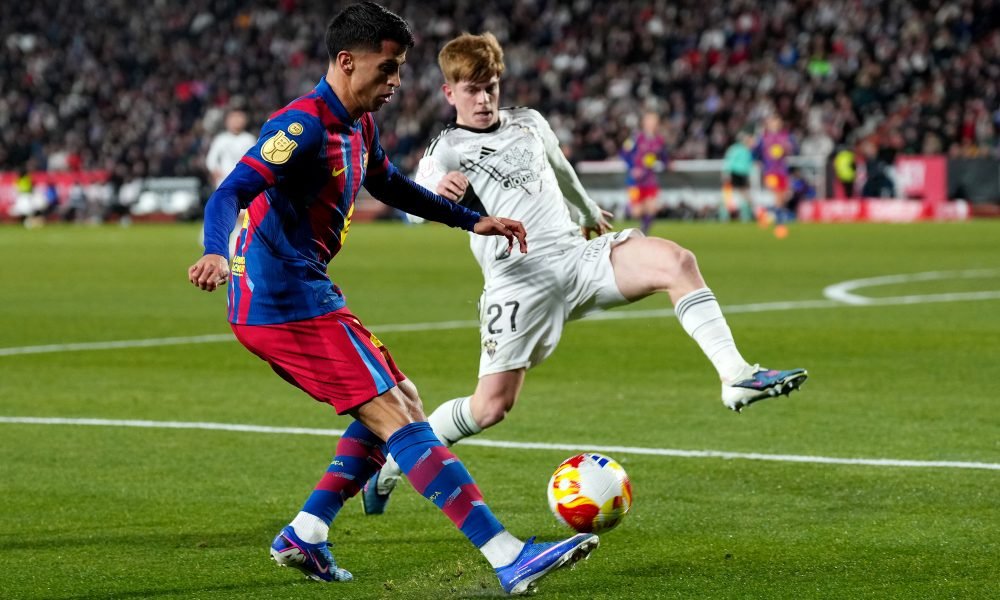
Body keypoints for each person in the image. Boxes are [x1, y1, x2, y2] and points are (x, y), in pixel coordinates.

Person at [186, 4, 597, 596]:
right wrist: (215, 252)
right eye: (387, 68)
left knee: (403, 397)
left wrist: (470, 220)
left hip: (304, 292)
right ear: (346, 62)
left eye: (399, 68)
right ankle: (508, 555)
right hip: (281, 301)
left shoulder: (358, 124)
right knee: (398, 416)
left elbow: (391, 185)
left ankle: (307, 531)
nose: (396, 81)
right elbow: (231, 191)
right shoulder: (300, 127)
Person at [364, 32, 808, 513]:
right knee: (490, 407)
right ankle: (393, 464)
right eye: (472, 90)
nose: (484, 99)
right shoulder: (448, 148)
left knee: (676, 262)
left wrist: (588, 210)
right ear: (450, 92)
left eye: (491, 87)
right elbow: (413, 210)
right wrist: (437, 198)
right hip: (519, 283)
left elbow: (560, 167)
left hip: (576, 258)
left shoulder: (529, 122)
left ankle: (736, 375)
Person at [205, 109, 256, 255]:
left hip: (244, 182)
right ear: (227, 121)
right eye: (233, 118)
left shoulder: (249, 139)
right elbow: (211, 159)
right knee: (225, 213)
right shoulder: (221, 139)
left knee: (243, 214)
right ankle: (221, 242)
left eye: (240, 118)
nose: (236, 121)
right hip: (225, 182)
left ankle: (237, 242)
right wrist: (214, 170)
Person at [619, 110, 669, 234]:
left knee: (652, 208)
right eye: (649, 120)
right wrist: (633, 168)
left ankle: (644, 231)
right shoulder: (636, 138)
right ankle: (624, 209)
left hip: (650, 179)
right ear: (644, 122)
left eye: (654, 121)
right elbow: (624, 153)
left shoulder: (659, 140)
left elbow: (663, 156)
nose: (651, 123)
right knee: (636, 212)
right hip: (635, 181)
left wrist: (666, 164)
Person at [755, 114, 797, 237]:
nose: (775, 124)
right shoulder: (764, 137)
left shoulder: (785, 136)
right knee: (778, 196)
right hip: (770, 172)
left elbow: (794, 149)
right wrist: (759, 161)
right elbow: (755, 152)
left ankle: (764, 212)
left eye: (777, 122)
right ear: (768, 124)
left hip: (782, 171)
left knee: (784, 196)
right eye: (772, 122)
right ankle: (779, 224)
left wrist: (789, 148)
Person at [721, 130, 755, 222]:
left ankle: (746, 215)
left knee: (744, 194)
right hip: (734, 173)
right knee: (729, 195)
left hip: (743, 174)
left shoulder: (748, 150)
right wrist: (726, 173)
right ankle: (725, 216)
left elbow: (749, 164)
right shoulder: (735, 149)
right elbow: (729, 162)